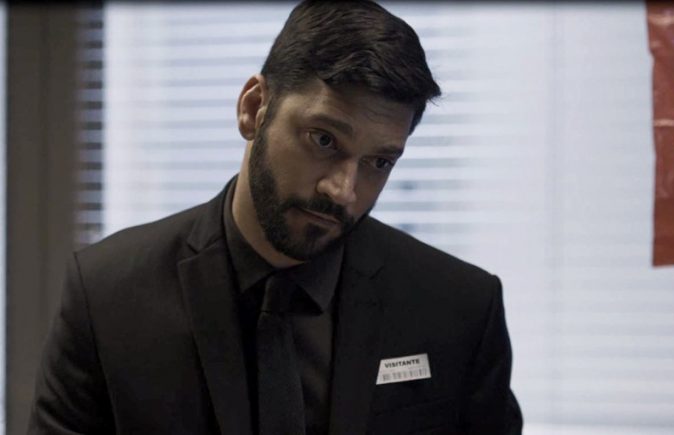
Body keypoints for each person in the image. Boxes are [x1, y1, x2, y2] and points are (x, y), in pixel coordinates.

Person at [28, 1, 523, 434]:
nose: (343, 190)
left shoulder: (459, 308)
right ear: (253, 108)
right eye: (323, 140)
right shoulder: (108, 296)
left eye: (378, 162)